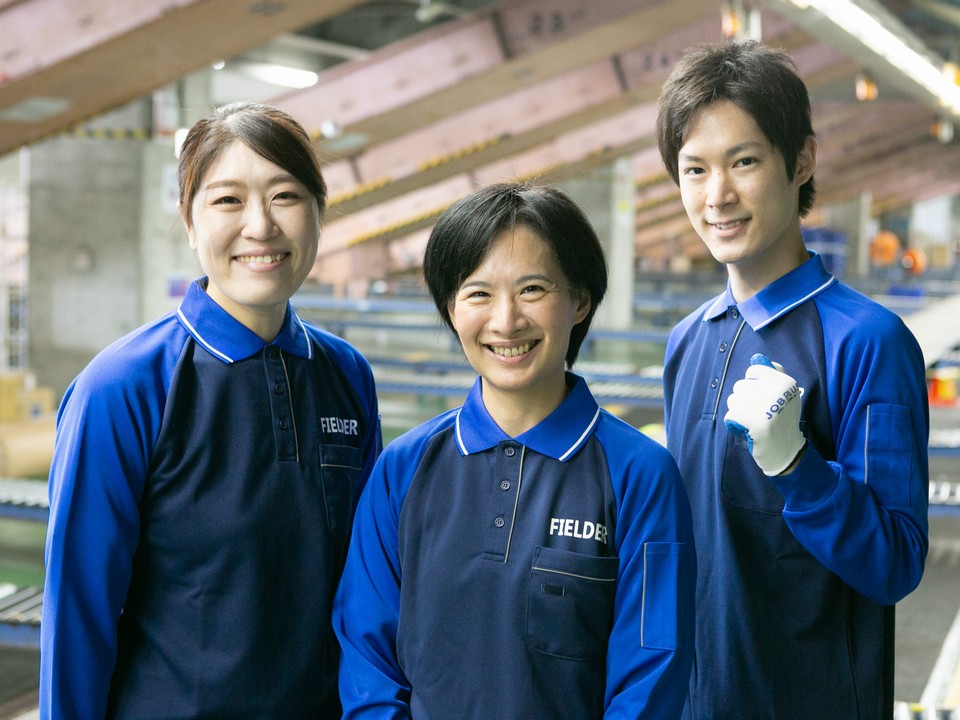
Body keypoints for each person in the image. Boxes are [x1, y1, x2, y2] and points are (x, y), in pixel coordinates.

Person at [40, 101, 382, 719]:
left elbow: (368, 591)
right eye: (227, 200)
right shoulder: (124, 387)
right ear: (189, 220)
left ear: (318, 212)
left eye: (285, 196)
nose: (260, 226)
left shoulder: (346, 376)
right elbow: (80, 609)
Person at [333, 181, 696, 719]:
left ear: (579, 299)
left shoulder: (640, 476)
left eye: (532, 289)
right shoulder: (403, 470)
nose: (506, 321)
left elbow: (650, 677)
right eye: (479, 293)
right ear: (451, 309)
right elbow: (368, 661)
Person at [655, 40, 929, 719]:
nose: (717, 195)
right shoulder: (687, 341)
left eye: (743, 162)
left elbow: (894, 563)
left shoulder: (868, 341)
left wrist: (797, 467)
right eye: (694, 169)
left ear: (800, 160)